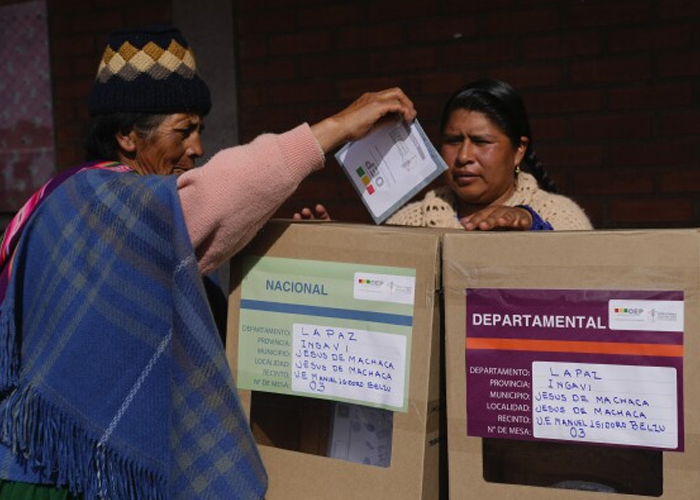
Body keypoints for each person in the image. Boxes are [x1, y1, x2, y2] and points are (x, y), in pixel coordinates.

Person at [0, 26, 416, 500]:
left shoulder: (89, 202)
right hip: (59, 478)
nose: (197, 148)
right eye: (184, 130)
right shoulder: (94, 201)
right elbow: (215, 198)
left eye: (200, 129)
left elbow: (199, 240)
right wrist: (338, 127)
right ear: (125, 136)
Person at [295, 78, 593, 231]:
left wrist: (533, 227)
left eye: (481, 141)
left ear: (519, 150)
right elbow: (373, 296)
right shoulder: (411, 221)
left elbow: (583, 292)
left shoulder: (558, 215)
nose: (463, 156)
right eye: (452, 140)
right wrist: (329, 248)